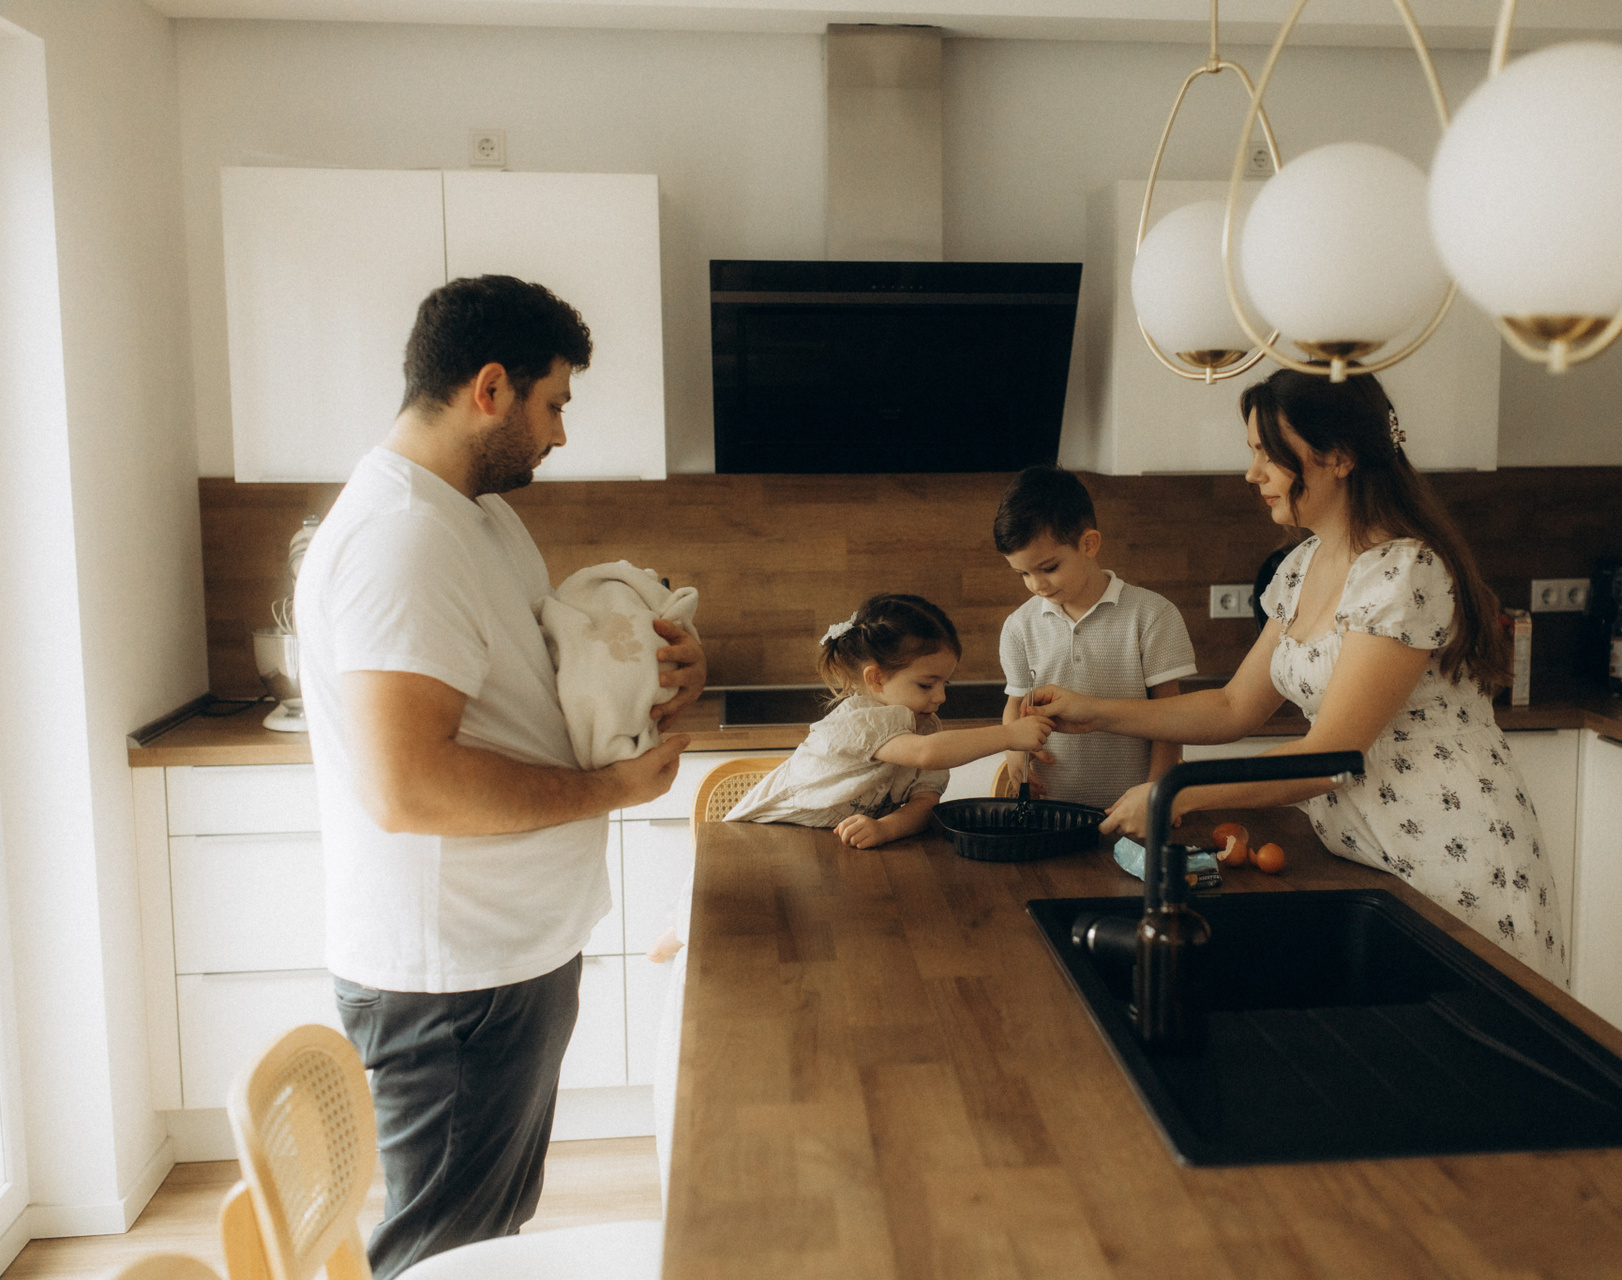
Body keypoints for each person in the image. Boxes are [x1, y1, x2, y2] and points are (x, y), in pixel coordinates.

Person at [294, 275, 707, 1279]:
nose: (561, 432)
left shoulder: (473, 518)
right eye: (553, 402)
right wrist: (612, 791)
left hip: (506, 955)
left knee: (488, 1235)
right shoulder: (401, 538)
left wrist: (662, 665)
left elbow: (530, 684)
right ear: (490, 388)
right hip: (453, 978)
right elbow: (409, 787)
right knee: (444, 1256)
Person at [1030, 370, 1568, 984]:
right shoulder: (1301, 565)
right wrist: (1097, 711)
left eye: (1268, 453)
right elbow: (1234, 706)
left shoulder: (1404, 572)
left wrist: (1177, 791)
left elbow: (1330, 756)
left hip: (1452, 860)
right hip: (1369, 859)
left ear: (1338, 457)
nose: (1252, 473)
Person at [726, 593, 1054, 846]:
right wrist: (1009, 735)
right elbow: (926, 753)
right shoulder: (859, 721)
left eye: (946, 683)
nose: (941, 697)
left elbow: (925, 803)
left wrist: (885, 828)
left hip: (819, 843)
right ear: (876, 679)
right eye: (926, 684)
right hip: (757, 837)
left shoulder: (926, 728)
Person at [993, 465, 1196, 808]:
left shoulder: (1152, 615)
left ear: (1089, 544)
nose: (1036, 585)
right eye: (1023, 574)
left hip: (1130, 809)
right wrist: (1013, 748)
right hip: (1050, 812)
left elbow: (1171, 721)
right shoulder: (1018, 627)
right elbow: (1015, 705)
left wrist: (1153, 798)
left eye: (1049, 568)